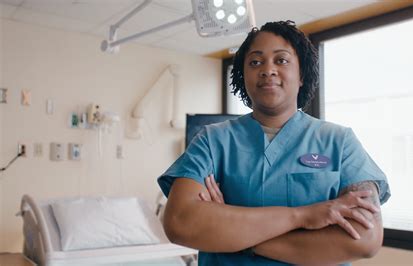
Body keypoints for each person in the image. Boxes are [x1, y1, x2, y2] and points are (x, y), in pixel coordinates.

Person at [158, 20, 390, 266]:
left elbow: (364, 238)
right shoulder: (212, 141)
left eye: (281, 60)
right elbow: (180, 222)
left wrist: (235, 236)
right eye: (255, 62)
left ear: (301, 75)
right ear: (243, 76)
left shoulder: (340, 143)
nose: (268, 70)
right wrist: (303, 216)